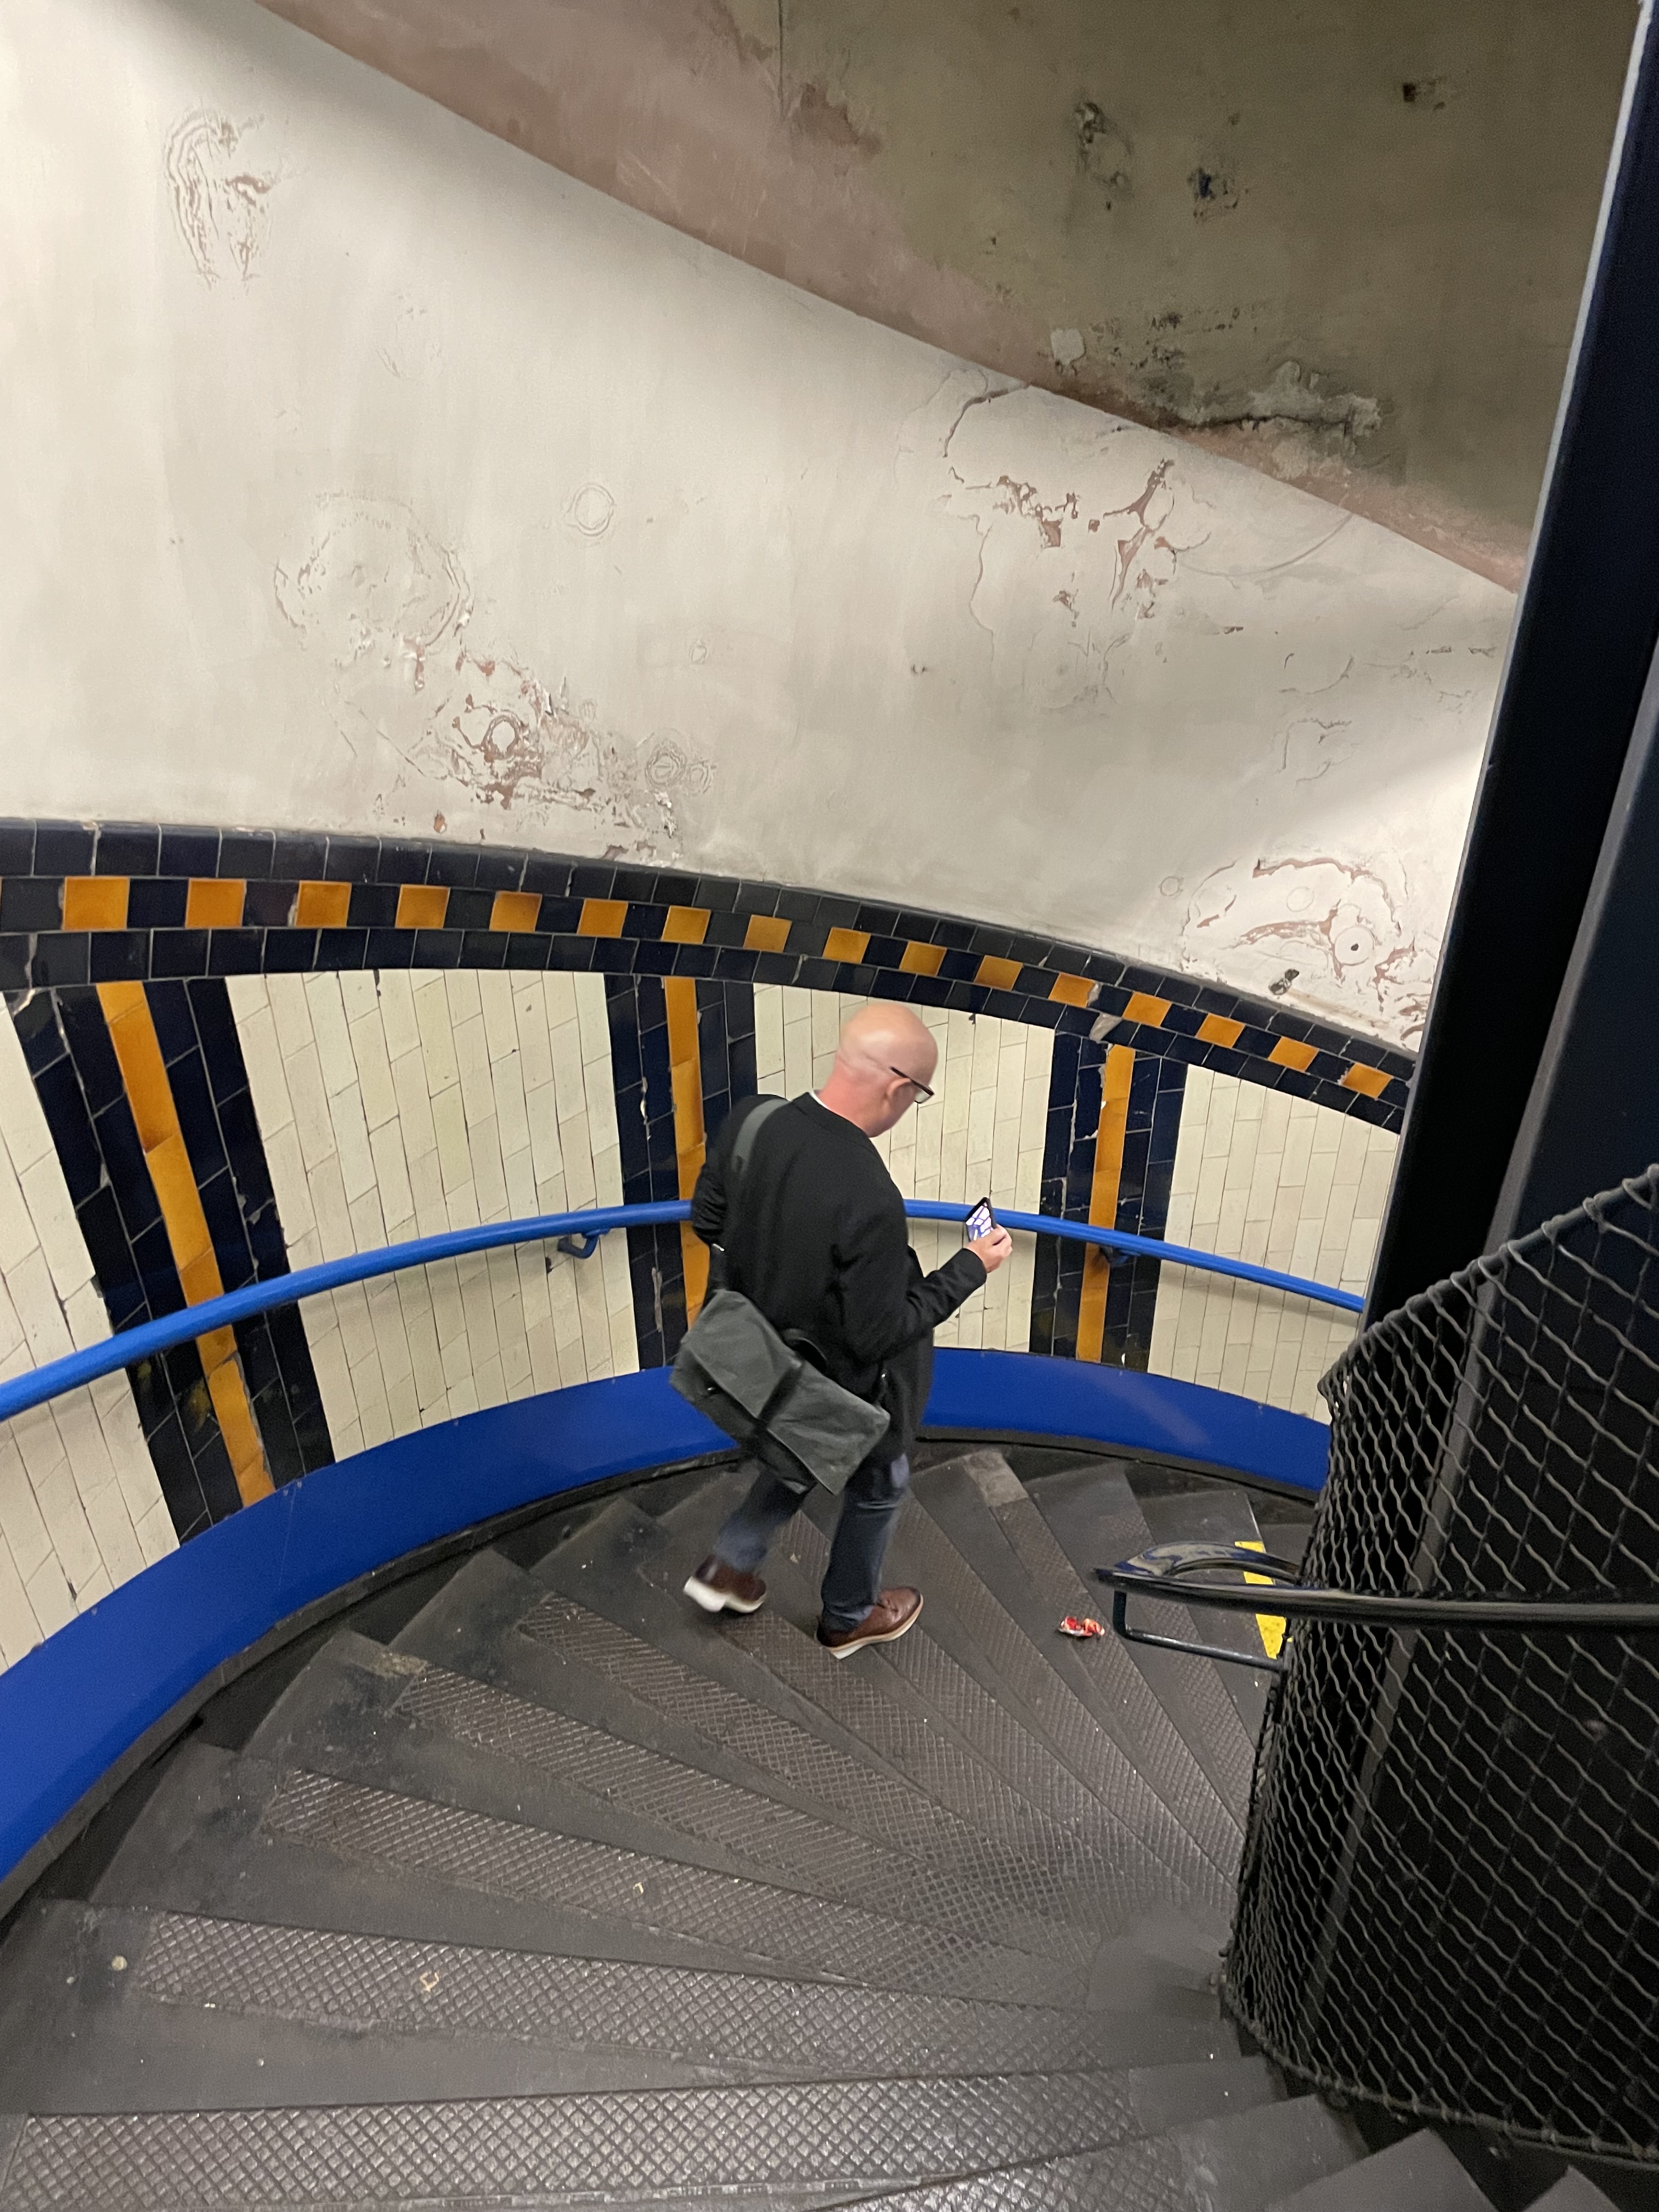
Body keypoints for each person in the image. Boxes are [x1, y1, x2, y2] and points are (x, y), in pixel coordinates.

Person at [682, 1003, 1013, 1656]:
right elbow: (877, 1335)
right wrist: (971, 1267)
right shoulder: (870, 1198)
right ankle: (848, 1617)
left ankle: (730, 1563)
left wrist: (780, 1277)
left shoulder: (754, 1118)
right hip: (836, 1381)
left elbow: (708, 1221)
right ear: (897, 1088)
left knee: (801, 1447)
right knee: (881, 1482)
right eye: (918, 1095)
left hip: (761, 1354)